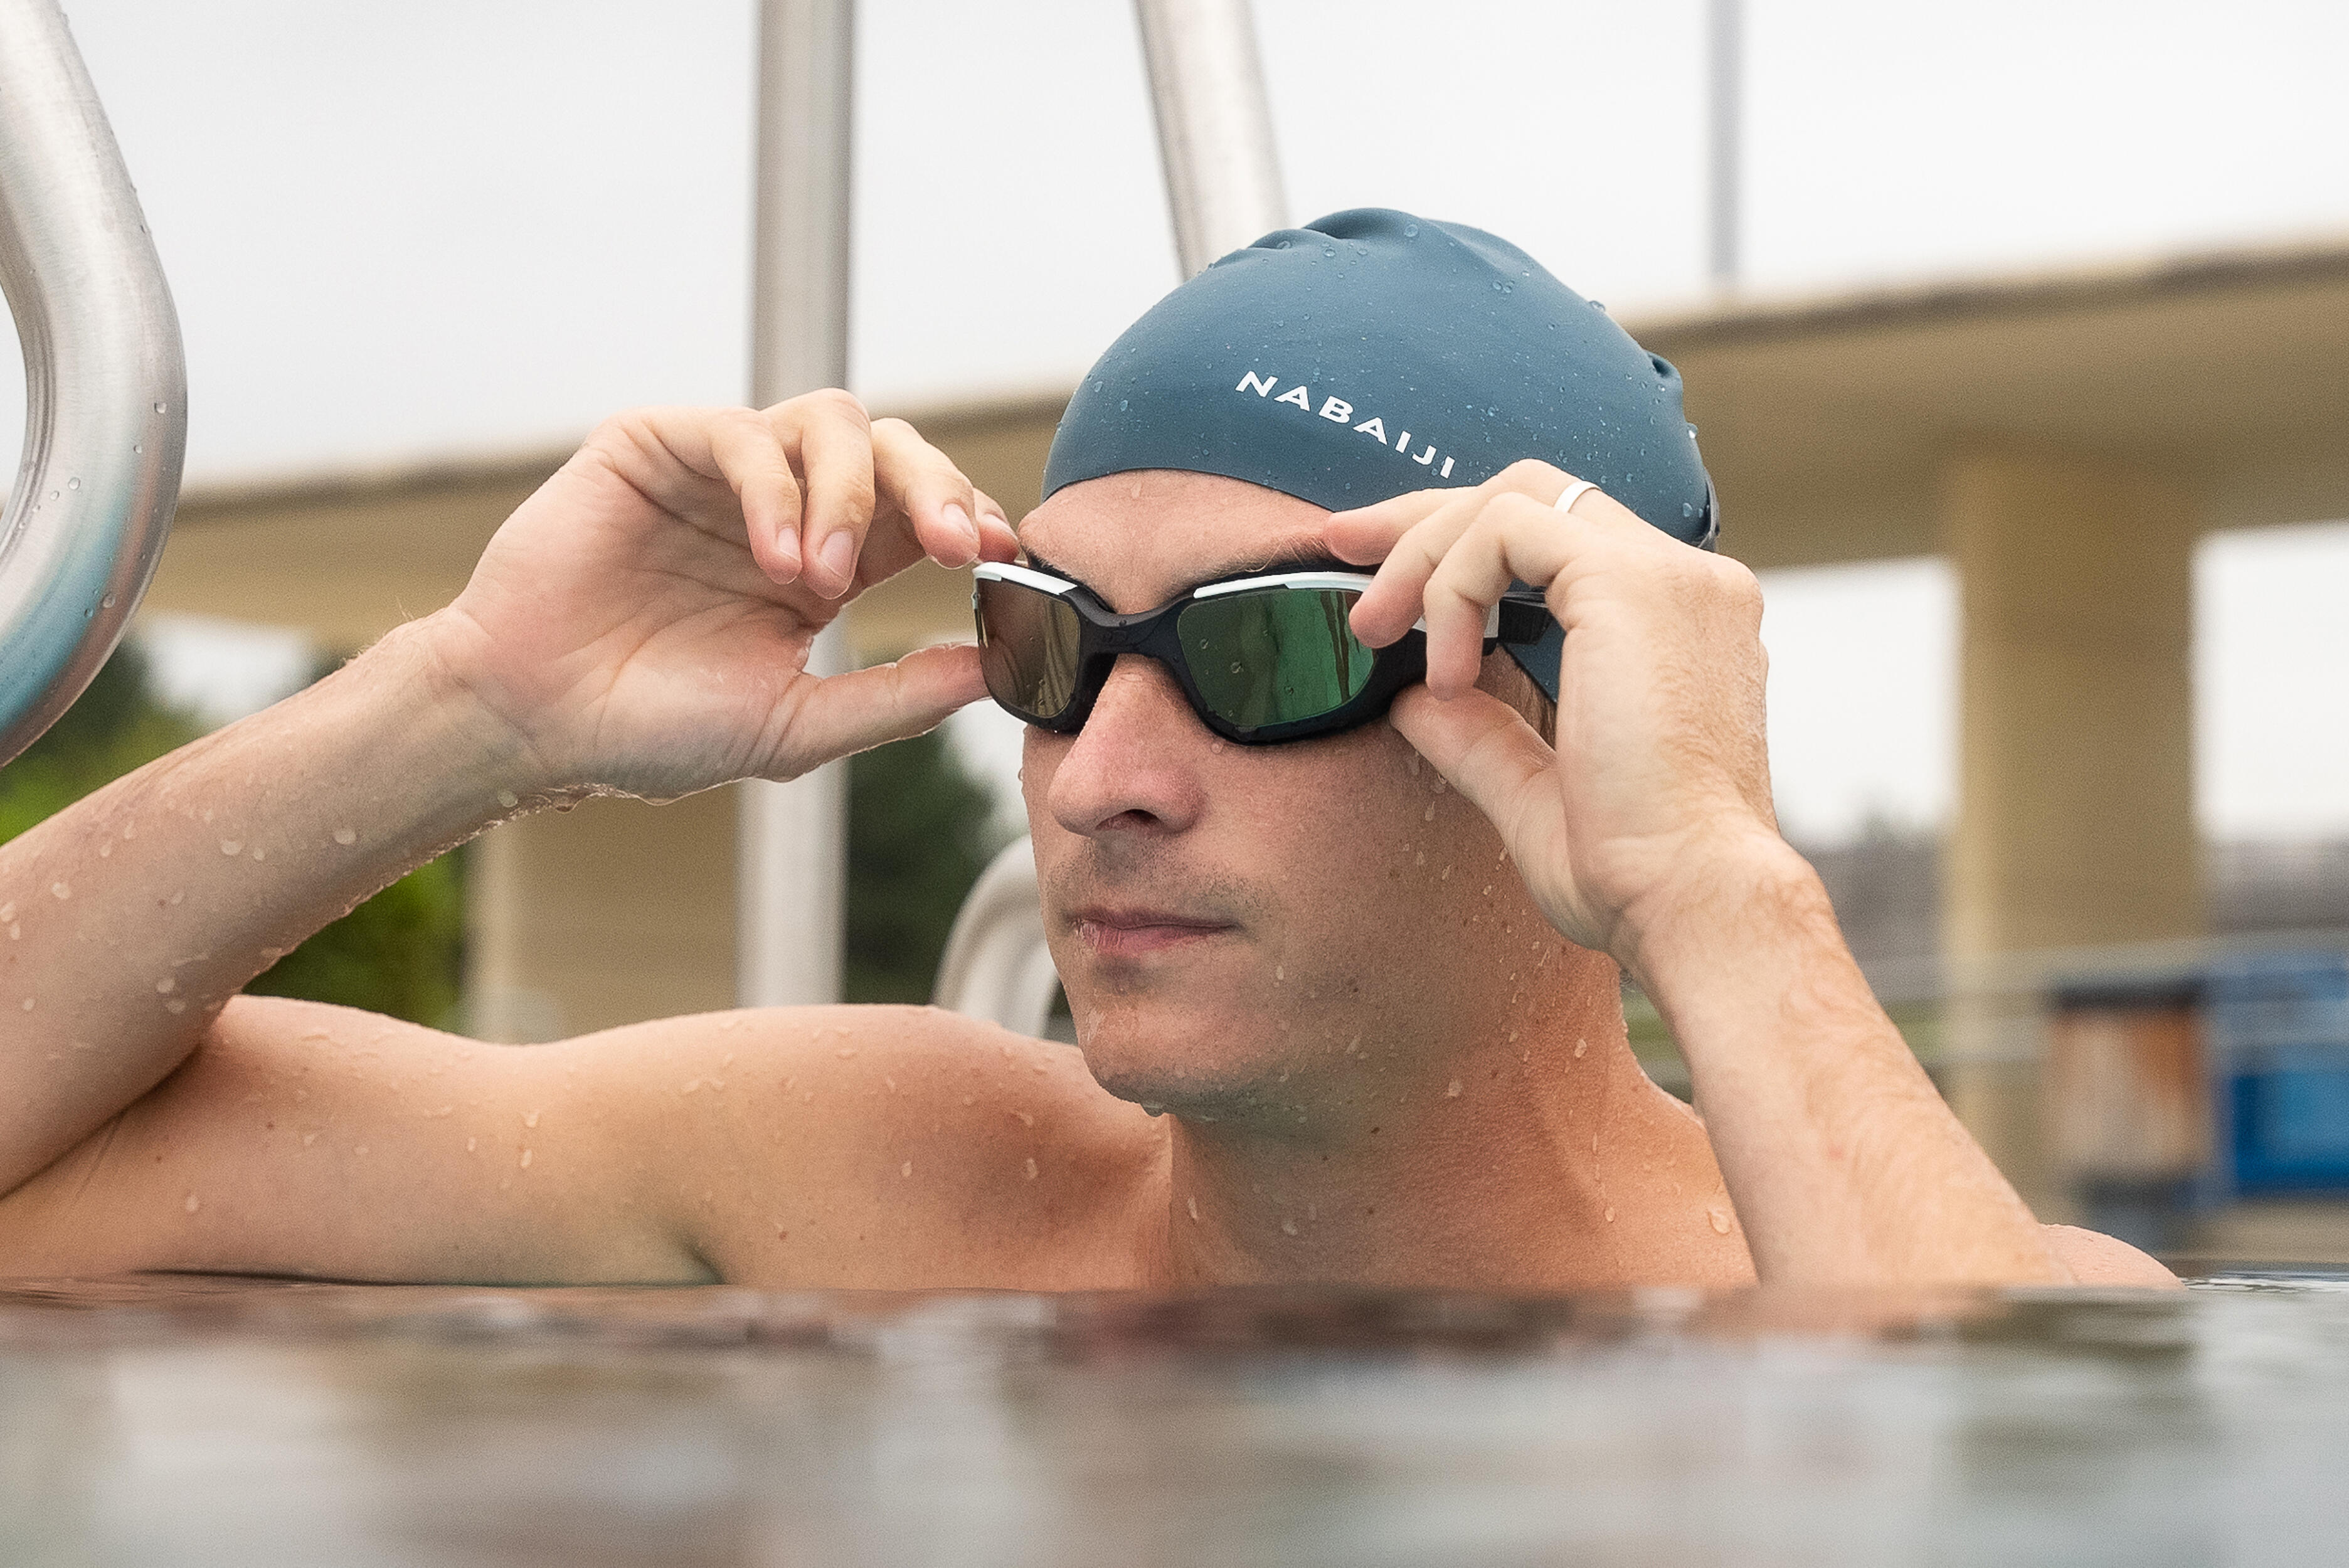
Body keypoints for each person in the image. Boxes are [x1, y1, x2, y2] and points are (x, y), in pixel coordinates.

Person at [0, 209, 2171, 1290]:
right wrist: (468, 707)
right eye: (1051, 640)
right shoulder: (889, 1183)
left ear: (1558, 705)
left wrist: (1714, 875)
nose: (1103, 773)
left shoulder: (1879, 1282)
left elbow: (2008, 1501)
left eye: (1269, 648)